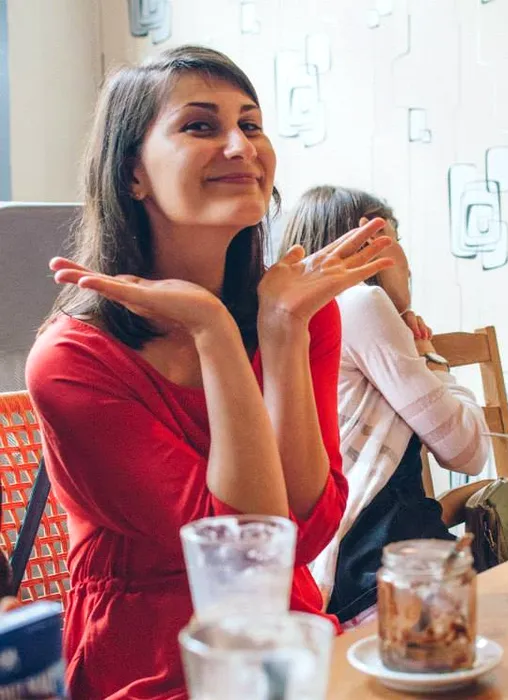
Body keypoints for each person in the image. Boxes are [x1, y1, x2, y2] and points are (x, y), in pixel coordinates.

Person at [25, 47, 395, 699]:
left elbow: (303, 536)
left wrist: (282, 330)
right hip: (150, 668)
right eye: (201, 126)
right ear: (132, 174)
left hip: (289, 650)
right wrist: (216, 332)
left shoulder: (293, 309)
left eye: (251, 125)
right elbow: (247, 552)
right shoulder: (72, 360)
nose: (240, 146)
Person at [279, 185, 489, 627]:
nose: (405, 259)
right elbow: (468, 452)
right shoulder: (361, 302)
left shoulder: (295, 316)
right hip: (379, 564)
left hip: (332, 566)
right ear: (369, 241)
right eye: (395, 239)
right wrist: (430, 353)